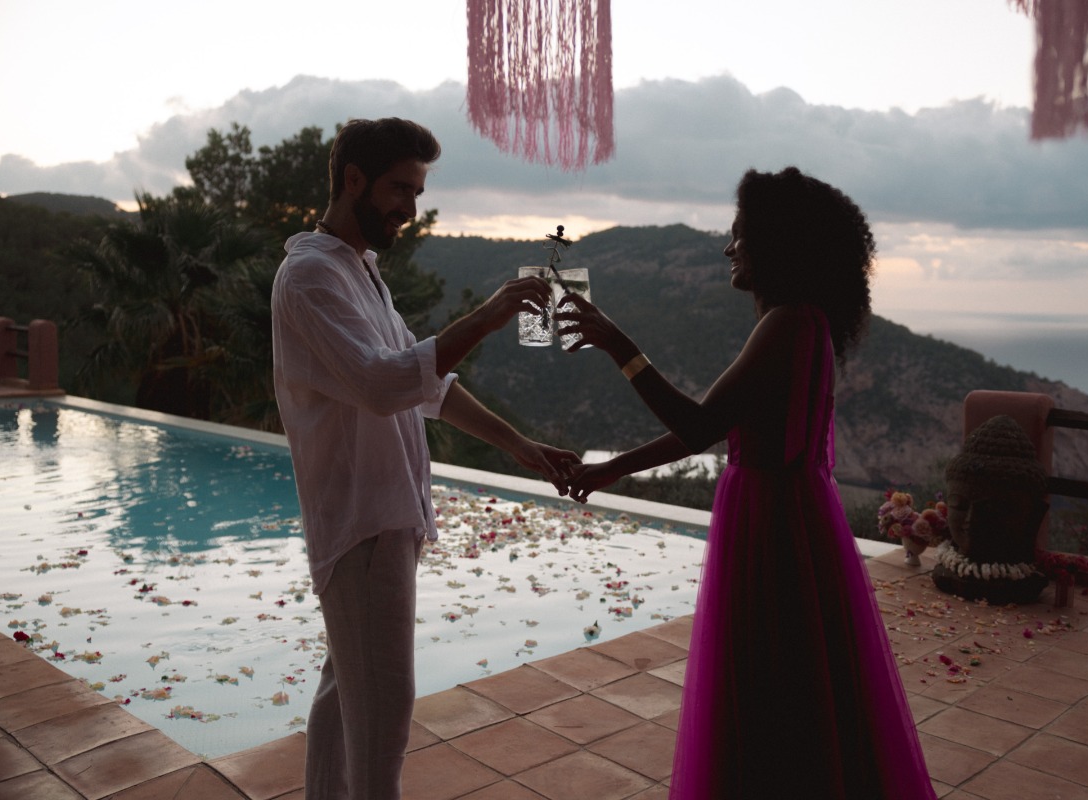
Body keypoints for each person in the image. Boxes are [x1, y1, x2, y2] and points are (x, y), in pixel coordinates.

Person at [557, 167, 935, 798]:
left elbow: (699, 424)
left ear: (778, 244)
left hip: (773, 529)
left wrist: (616, 344)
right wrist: (610, 469)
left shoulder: (788, 322)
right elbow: (721, 427)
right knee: (798, 687)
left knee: (769, 687)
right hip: (785, 516)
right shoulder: (802, 322)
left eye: (740, 236)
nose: (729, 249)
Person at [271, 117, 579, 799]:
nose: (409, 209)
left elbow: (426, 386)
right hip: (364, 525)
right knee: (381, 727)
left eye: (415, 192)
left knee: (344, 703)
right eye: (398, 190)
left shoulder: (359, 271)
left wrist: (523, 449)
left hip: (383, 523)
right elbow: (384, 387)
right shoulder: (311, 277)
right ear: (352, 180)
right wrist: (489, 315)